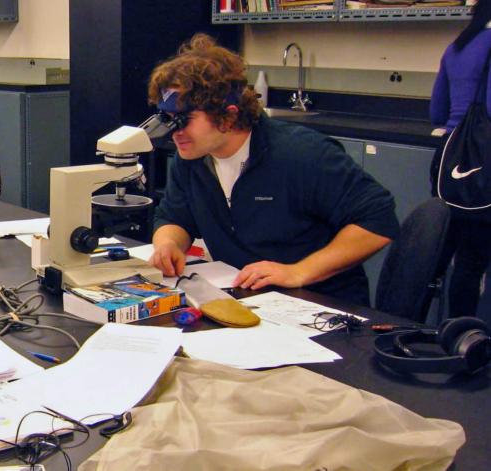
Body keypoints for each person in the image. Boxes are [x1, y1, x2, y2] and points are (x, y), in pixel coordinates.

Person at [147, 34, 400, 306]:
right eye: (169, 119)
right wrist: (168, 245)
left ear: (229, 115)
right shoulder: (192, 159)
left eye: (184, 120)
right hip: (248, 297)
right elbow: (175, 216)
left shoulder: (301, 154)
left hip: (317, 306)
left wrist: (299, 271)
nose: (175, 132)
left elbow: (378, 219)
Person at [430, 0, 491, 321]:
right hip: (484, 163)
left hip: (448, 159)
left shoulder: (459, 46)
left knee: (439, 252)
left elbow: (437, 111)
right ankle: (465, 340)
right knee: (472, 261)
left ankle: (418, 323)